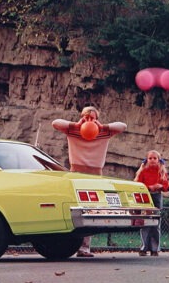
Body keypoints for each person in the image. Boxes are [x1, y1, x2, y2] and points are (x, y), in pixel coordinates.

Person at [52, 105, 127, 257]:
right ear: (81, 117)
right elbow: (55, 123)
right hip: (76, 173)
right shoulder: (73, 130)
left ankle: (85, 247)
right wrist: (77, 125)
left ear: (97, 119)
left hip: (95, 174)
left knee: (92, 209)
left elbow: (122, 126)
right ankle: (69, 244)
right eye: (86, 117)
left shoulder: (104, 132)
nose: (89, 120)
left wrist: (101, 126)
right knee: (75, 209)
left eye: (92, 118)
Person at [134, 150, 169, 256]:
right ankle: (144, 247)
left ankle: (155, 248)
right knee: (145, 223)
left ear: (158, 160)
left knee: (155, 223)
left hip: (157, 196)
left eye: (155, 158)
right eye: (150, 158)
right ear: (147, 160)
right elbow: (138, 185)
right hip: (146, 197)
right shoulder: (143, 171)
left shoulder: (161, 171)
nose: (152, 160)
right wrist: (149, 187)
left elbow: (166, 185)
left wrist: (161, 186)